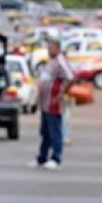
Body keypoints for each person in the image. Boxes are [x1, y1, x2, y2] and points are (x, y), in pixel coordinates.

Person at [34, 37, 73, 170]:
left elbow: (70, 77)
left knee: (55, 131)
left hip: (53, 102)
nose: (49, 50)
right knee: (45, 132)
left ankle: (56, 157)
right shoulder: (51, 61)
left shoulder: (60, 61)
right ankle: (42, 157)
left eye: (51, 48)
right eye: (48, 48)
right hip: (45, 103)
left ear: (57, 48)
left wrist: (61, 94)